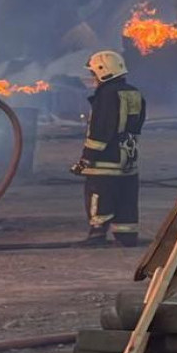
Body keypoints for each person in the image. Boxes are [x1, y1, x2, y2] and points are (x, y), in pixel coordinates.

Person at [71, 50, 146, 248]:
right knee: (126, 196)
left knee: (99, 192)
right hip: (128, 156)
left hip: (106, 158)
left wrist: (86, 158)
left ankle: (97, 233)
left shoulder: (105, 95)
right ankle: (127, 235)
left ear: (104, 72)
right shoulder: (134, 92)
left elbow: (100, 130)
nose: (92, 78)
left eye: (93, 74)